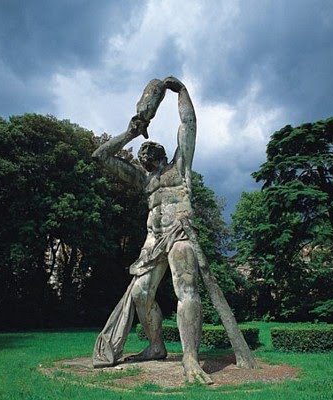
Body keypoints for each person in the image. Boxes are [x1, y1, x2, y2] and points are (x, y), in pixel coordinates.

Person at [92, 76, 212, 384]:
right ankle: (156, 346)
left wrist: (180, 91)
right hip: (152, 240)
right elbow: (100, 156)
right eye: (140, 153)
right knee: (141, 294)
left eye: (146, 151)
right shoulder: (144, 180)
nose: (142, 155)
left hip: (180, 232)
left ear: (158, 154)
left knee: (186, 289)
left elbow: (189, 124)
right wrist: (130, 133)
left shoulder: (179, 167)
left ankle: (190, 359)